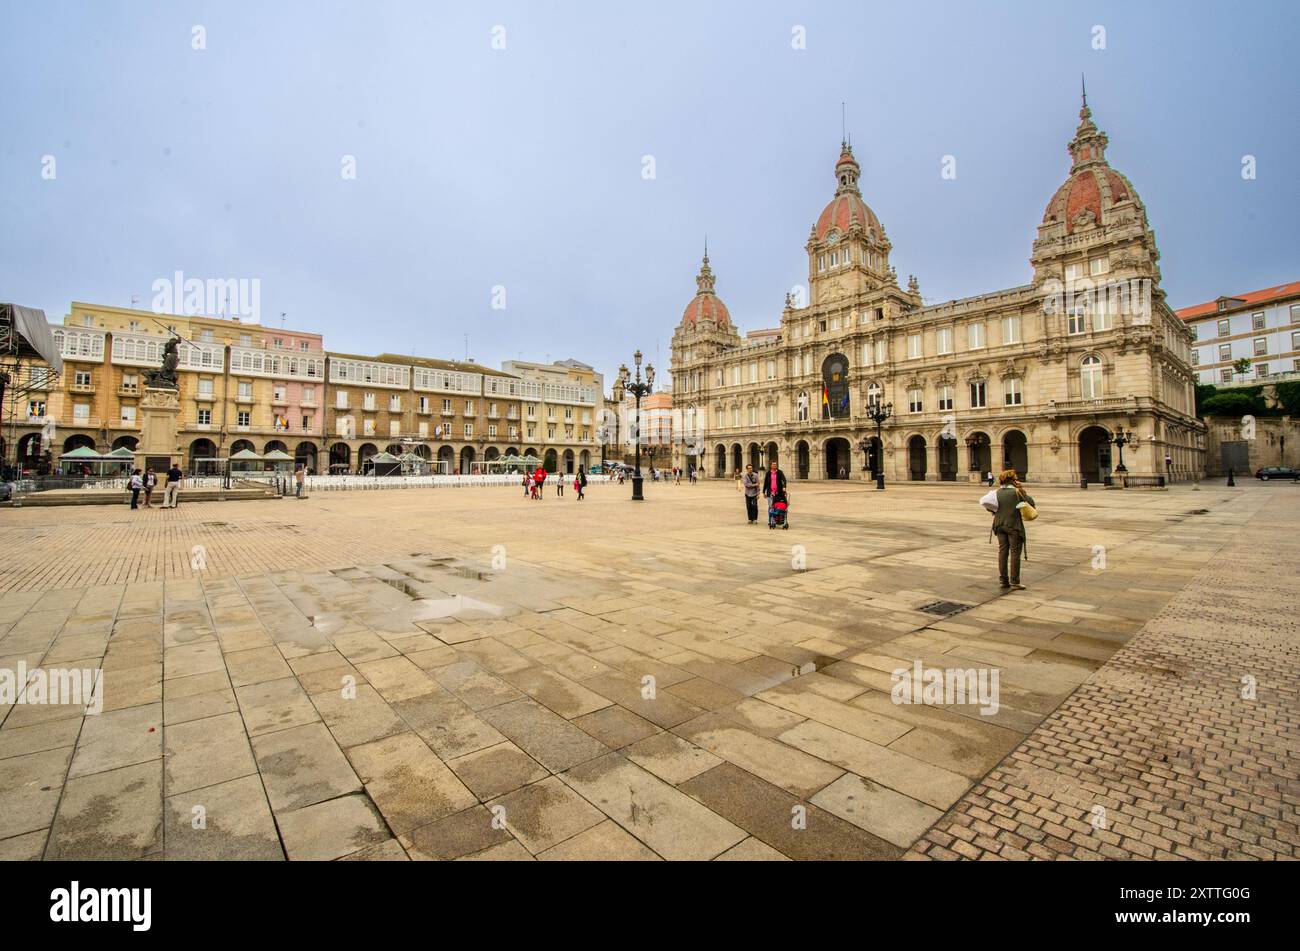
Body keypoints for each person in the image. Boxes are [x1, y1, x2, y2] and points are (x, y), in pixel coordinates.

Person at [990, 468, 1035, 591]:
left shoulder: (996, 493)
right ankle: (1015, 581)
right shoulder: (1017, 492)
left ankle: (1003, 580)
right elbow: (1031, 503)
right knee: (1015, 553)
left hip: (999, 525)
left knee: (1002, 552)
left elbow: (989, 506)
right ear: (1012, 481)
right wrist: (1022, 490)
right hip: (1013, 525)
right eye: (1015, 478)